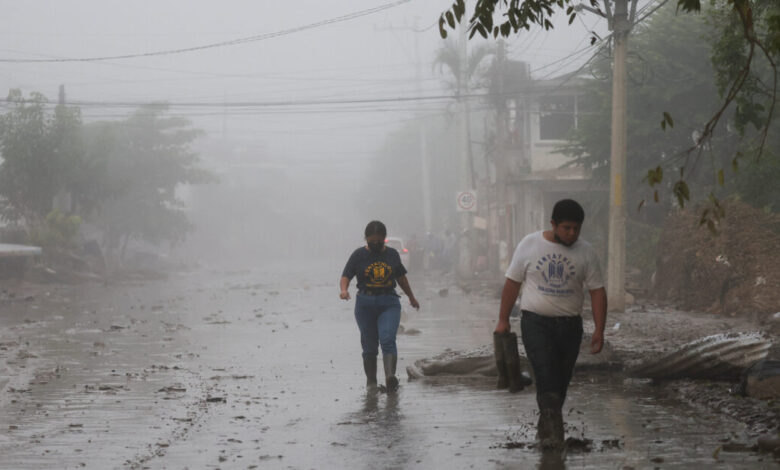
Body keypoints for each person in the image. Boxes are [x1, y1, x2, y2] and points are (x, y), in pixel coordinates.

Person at [494, 199, 607, 448]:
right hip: (536, 324)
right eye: (566, 228)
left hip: (570, 327)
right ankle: (554, 440)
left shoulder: (586, 252)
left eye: (576, 228)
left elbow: (597, 291)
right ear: (553, 224)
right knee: (546, 376)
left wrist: (599, 329)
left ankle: (545, 429)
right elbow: (512, 283)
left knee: (560, 382)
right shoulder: (530, 244)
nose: (572, 233)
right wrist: (503, 320)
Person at [340, 221, 420, 392]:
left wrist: (411, 297)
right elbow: (346, 275)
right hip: (365, 304)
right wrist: (344, 290)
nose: (375, 244)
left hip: (388, 302)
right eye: (371, 240)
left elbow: (401, 278)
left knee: (387, 338)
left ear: (384, 239)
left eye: (379, 240)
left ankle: (390, 376)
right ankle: (371, 382)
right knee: (369, 345)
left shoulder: (392, 255)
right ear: (366, 239)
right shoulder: (358, 255)